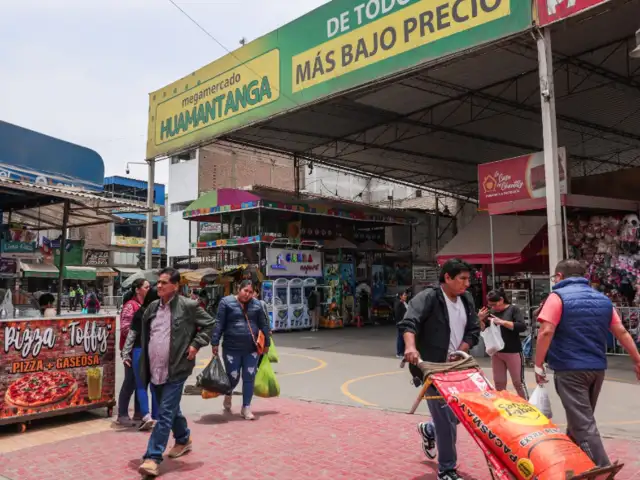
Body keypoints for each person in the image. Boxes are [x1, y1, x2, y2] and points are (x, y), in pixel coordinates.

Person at [535, 259, 640, 468]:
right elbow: (621, 332)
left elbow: (546, 331)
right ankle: (571, 462)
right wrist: (637, 360)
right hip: (596, 369)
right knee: (580, 419)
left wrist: (538, 364)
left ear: (559, 277)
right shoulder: (603, 300)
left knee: (582, 423)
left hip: (569, 369)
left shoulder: (556, 297)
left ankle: (602, 468)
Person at [398, 258, 480, 480]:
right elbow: (409, 323)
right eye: (462, 279)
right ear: (447, 278)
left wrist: (461, 350)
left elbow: (473, 330)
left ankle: (429, 430)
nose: (467, 284)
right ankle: (447, 469)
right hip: (432, 368)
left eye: (468, 279)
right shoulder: (428, 297)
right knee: (445, 418)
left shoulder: (466, 299)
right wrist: (411, 347)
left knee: (459, 416)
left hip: (458, 366)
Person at [137, 268, 215, 478]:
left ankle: (152, 458)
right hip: (155, 369)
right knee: (170, 410)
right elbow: (145, 334)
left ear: (175, 286)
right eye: (158, 283)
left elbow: (210, 324)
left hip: (177, 368)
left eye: (164, 283)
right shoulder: (152, 307)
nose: (159, 286)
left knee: (163, 414)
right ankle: (183, 439)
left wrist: (196, 345)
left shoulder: (188, 306)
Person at [212, 280, 271, 421]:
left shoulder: (257, 305)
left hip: (251, 349)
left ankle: (246, 407)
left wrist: (267, 343)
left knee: (249, 377)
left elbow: (264, 325)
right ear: (239, 288)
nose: (248, 294)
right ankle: (228, 393)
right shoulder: (226, 303)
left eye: (251, 292)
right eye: (245, 291)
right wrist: (214, 341)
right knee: (233, 377)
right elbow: (219, 323)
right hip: (231, 348)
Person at [478, 288, 528, 399]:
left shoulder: (513, 310)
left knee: (518, 383)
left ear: (501, 300)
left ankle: (526, 404)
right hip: (497, 352)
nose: (493, 307)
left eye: (494, 304)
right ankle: (503, 405)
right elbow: (484, 330)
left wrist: (502, 322)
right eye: (490, 305)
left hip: (513, 351)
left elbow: (522, 327)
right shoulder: (491, 313)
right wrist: (480, 319)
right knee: (499, 383)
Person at [122, 286, 160, 431]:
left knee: (140, 385)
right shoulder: (161, 313)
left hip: (139, 351)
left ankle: (146, 416)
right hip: (156, 351)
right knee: (156, 385)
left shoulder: (140, 313)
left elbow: (131, 336)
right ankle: (157, 416)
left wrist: (125, 354)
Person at [117, 279, 149, 427]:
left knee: (140, 382)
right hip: (130, 350)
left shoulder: (144, 306)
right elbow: (124, 328)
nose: (149, 289)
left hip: (142, 349)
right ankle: (122, 414)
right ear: (138, 289)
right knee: (130, 382)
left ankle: (139, 412)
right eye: (146, 287)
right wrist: (138, 332)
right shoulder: (131, 306)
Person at [395, 290, 409, 358]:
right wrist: (400, 322)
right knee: (400, 338)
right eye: (404, 295)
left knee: (404, 338)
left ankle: (403, 352)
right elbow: (397, 314)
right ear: (400, 296)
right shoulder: (399, 304)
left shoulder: (405, 303)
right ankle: (399, 353)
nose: (406, 296)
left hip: (406, 323)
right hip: (401, 323)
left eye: (406, 295)